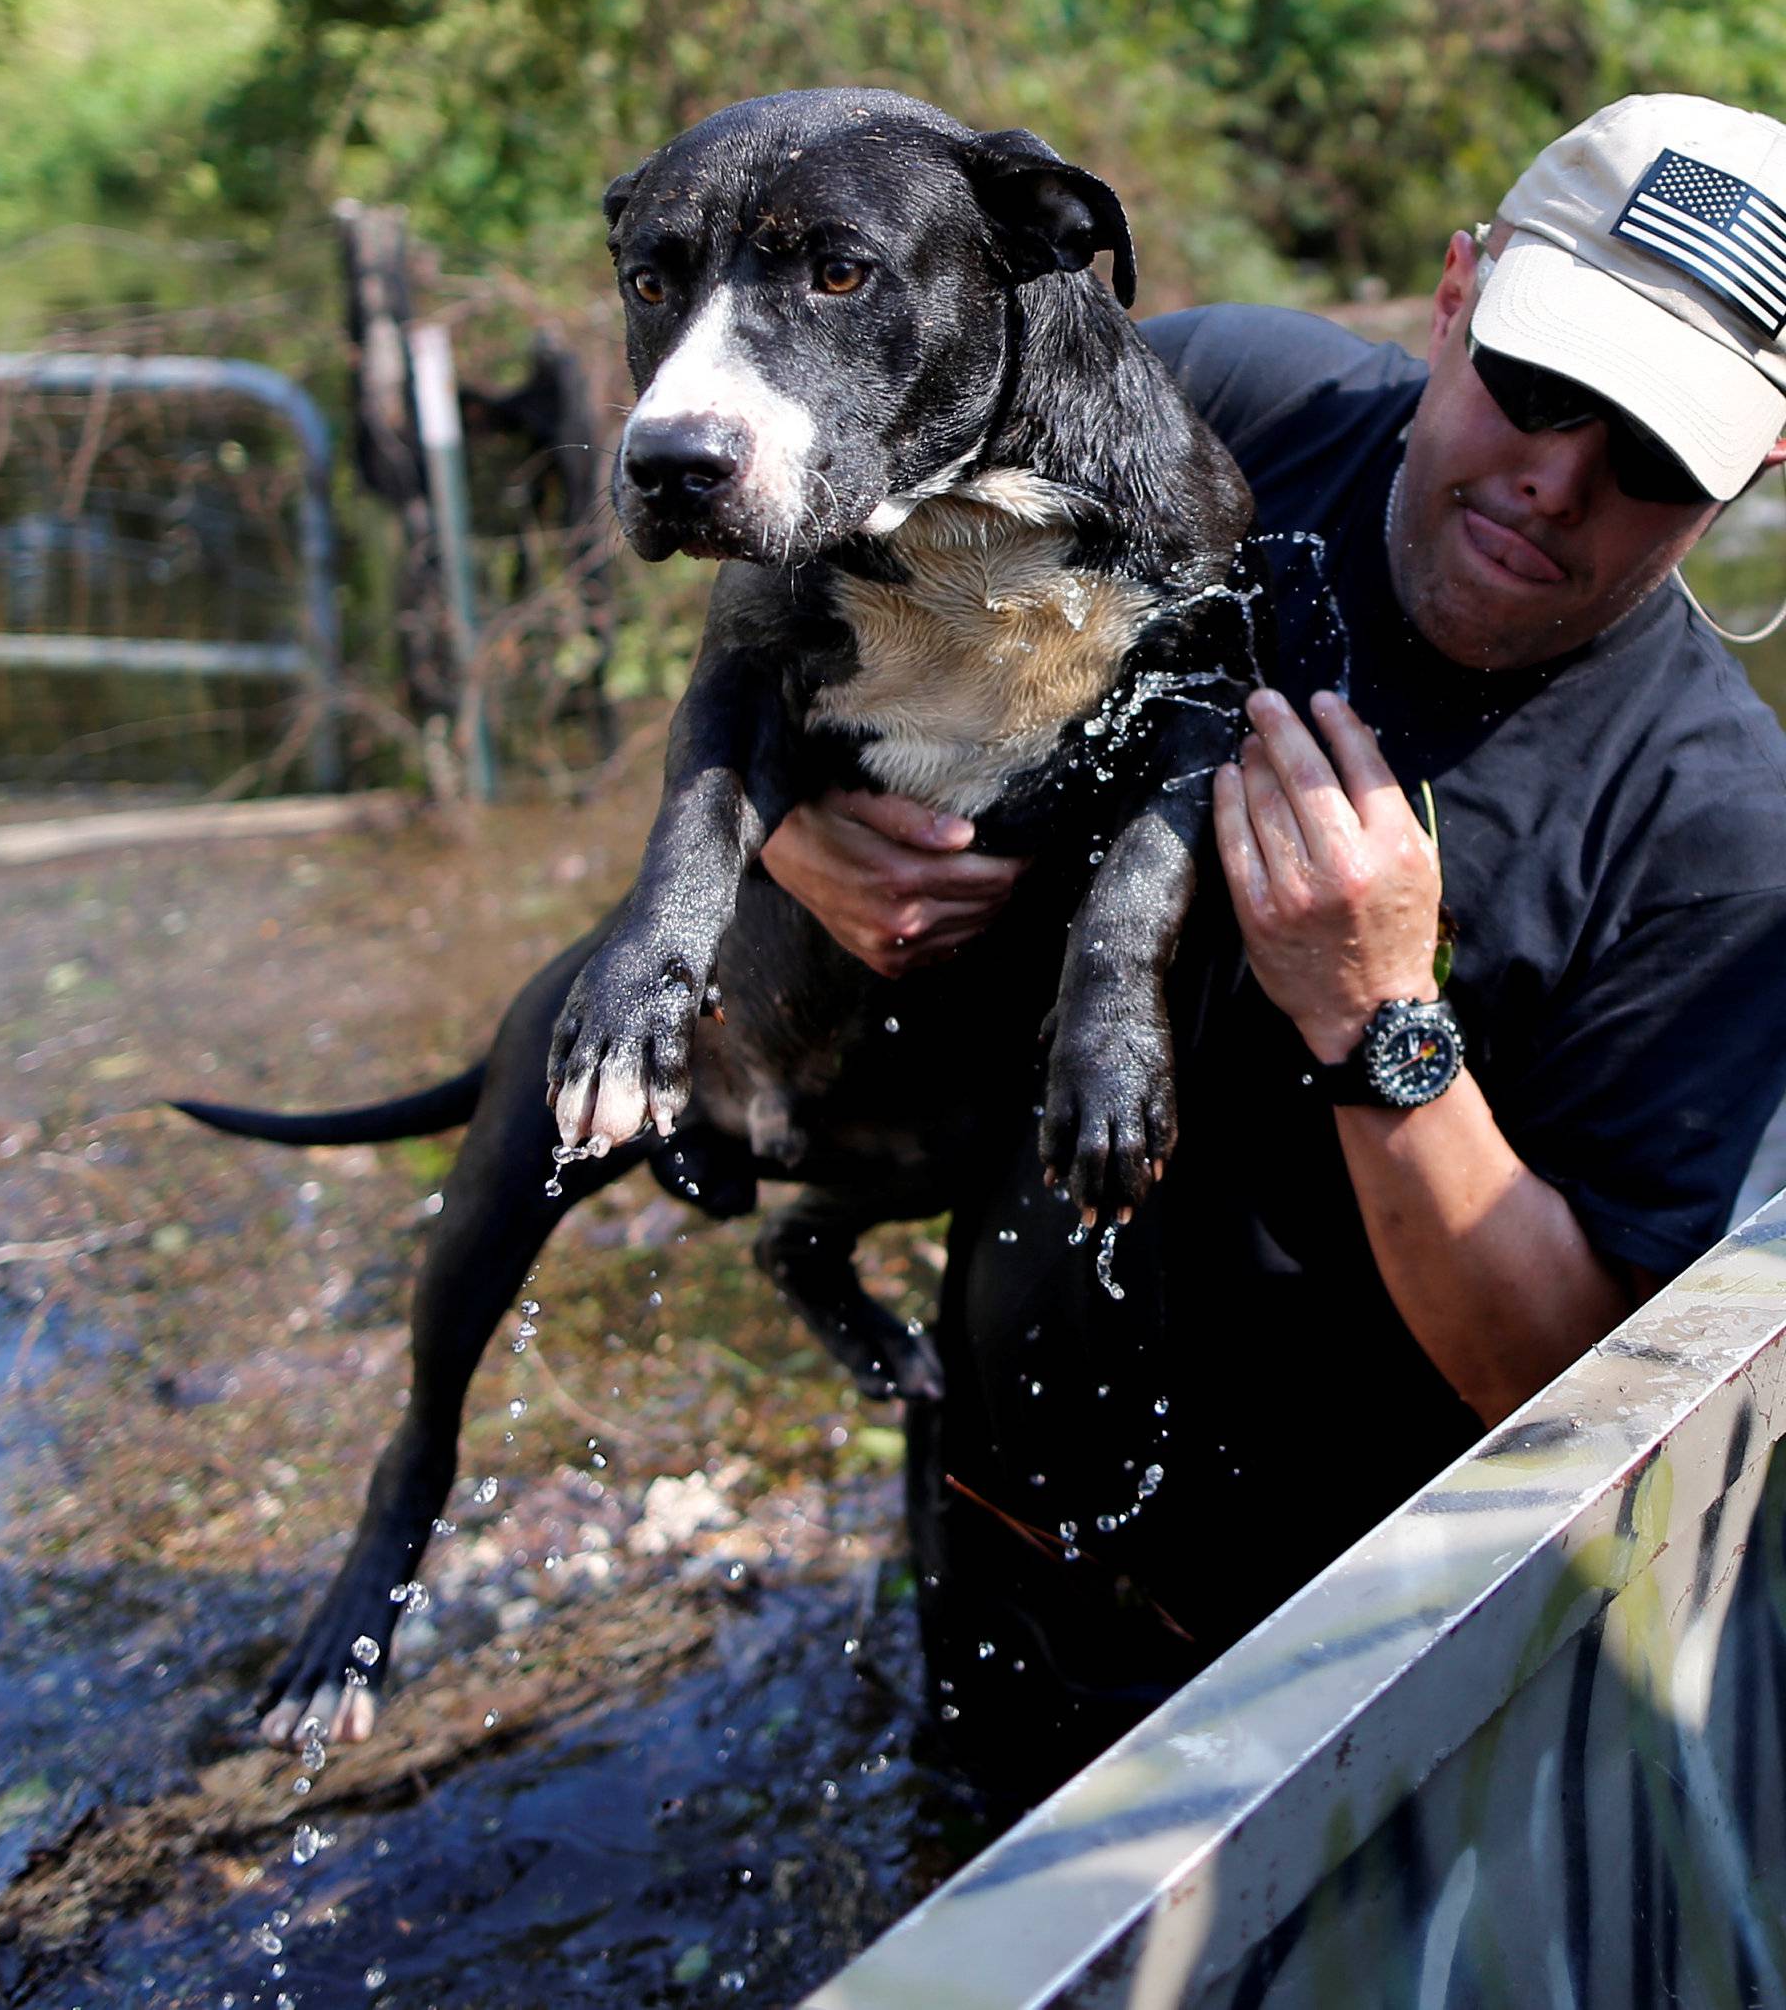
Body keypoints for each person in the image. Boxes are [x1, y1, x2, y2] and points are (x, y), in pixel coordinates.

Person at [759, 91, 1786, 1801]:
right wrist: (798, 813)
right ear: (1457, 293)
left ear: (1761, 466)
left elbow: (1595, 1410)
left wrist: (1381, 1017)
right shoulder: (1220, 404)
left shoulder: (1723, 841)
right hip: (993, 1496)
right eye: (1536, 384)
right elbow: (809, 538)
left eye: (1655, 453)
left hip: (1329, 1677)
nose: (1557, 479)